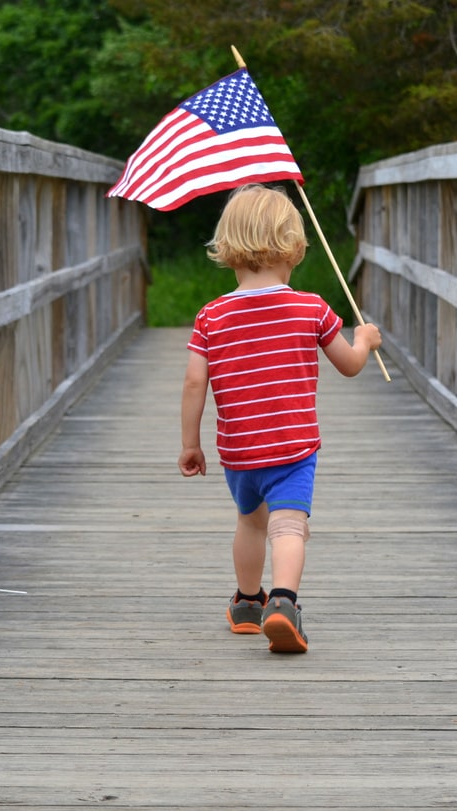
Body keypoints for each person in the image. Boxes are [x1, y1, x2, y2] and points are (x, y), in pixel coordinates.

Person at [177, 184, 383, 653]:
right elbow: (349, 365)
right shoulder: (311, 307)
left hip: (239, 451)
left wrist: (191, 443)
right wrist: (365, 341)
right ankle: (284, 603)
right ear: (293, 247)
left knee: (250, 523)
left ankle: (249, 603)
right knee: (288, 526)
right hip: (293, 448)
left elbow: (194, 384)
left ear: (227, 248)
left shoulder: (211, 316)